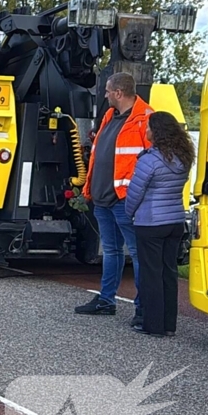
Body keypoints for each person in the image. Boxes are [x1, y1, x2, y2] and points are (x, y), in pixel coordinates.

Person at [75, 72, 152, 319]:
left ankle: (143, 307)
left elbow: (154, 162)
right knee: (111, 251)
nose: (105, 95)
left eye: (108, 91)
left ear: (119, 93)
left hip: (125, 200)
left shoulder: (146, 119)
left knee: (137, 253)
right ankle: (106, 300)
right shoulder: (110, 116)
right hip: (104, 198)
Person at [125, 111, 193, 337]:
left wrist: (129, 213)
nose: (146, 131)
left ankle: (152, 325)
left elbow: (135, 192)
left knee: (151, 273)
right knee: (169, 272)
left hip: (151, 222)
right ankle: (168, 325)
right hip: (174, 220)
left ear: (157, 132)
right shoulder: (183, 157)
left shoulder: (149, 160)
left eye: (149, 128)